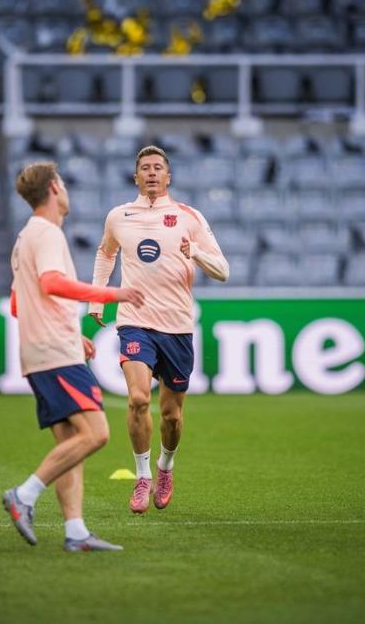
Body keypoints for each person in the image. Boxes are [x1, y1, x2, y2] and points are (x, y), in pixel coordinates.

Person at [2, 162, 145, 551]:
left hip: (43, 350)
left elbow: (19, 302)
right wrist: (111, 294)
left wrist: (71, 332)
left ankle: (75, 531)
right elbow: (50, 283)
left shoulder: (26, 236)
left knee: (71, 443)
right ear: (53, 189)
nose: (66, 190)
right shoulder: (46, 233)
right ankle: (25, 494)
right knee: (97, 433)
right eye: (62, 183)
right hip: (54, 354)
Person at [88, 145, 228, 514]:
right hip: (135, 322)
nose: (151, 173)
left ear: (168, 177)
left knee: (171, 415)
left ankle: (166, 467)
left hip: (178, 327)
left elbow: (223, 270)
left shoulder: (188, 217)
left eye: (157, 168)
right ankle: (143, 475)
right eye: (144, 168)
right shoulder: (119, 216)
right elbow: (106, 253)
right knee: (137, 399)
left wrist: (193, 253)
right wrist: (99, 297)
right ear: (136, 177)